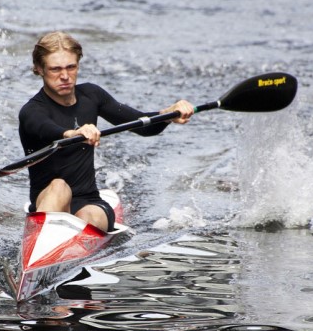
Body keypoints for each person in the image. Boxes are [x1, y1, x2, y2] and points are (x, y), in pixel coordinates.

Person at [19, 31, 194, 232]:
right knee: (59, 186)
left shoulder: (91, 96)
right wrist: (72, 134)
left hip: (88, 201)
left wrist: (169, 113)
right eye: (55, 69)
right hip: (47, 201)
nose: (65, 76)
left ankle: (72, 240)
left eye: (71, 67)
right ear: (39, 69)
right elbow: (45, 128)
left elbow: (143, 126)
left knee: (89, 217)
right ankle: (45, 243)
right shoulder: (32, 111)